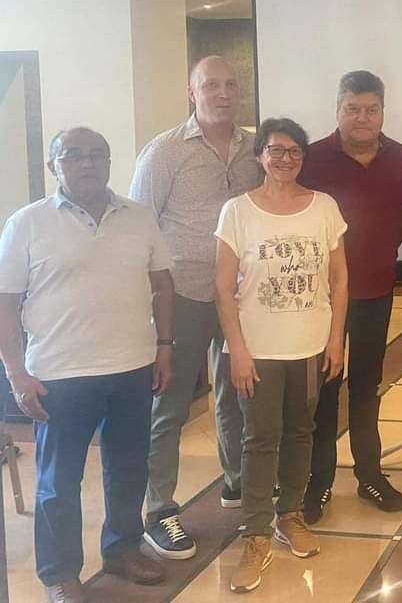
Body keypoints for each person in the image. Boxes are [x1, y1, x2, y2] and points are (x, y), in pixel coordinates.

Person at [0, 128, 174, 603]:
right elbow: (5, 304)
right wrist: (16, 374)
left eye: (97, 154)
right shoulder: (27, 223)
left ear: (110, 162)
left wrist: (164, 346)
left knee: (129, 468)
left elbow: (162, 285)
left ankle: (122, 548)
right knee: (59, 482)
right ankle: (59, 573)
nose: (87, 163)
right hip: (59, 375)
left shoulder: (138, 217)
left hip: (133, 367)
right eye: (73, 155)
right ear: (53, 166)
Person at [131, 55, 263, 559]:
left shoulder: (255, 148)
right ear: (192, 92)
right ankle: (159, 510)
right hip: (182, 294)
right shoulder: (164, 152)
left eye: (231, 84)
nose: (223, 93)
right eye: (211, 85)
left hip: (240, 296)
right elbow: (139, 228)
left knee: (236, 393)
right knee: (170, 404)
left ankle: (236, 482)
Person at [214, 118, 348, 594]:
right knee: (259, 439)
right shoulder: (237, 211)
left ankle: (290, 514)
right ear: (260, 155)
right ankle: (255, 534)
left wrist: (336, 338)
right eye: (276, 150)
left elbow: (339, 279)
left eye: (294, 151)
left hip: (310, 346)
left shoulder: (324, 207)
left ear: (303, 157)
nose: (285, 158)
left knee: (300, 432)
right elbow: (223, 289)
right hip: (258, 351)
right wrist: (238, 351)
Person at [299, 71, 402, 522]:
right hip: (322, 299)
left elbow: (401, 219)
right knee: (324, 389)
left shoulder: (400, 158)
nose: (362, 118)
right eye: (352, 109)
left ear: (383, 112)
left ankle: (370, 474)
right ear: (337, 110)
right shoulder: (311, 159)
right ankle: (318, 481)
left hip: (375, 292)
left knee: (367, 386)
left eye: (371, 109)